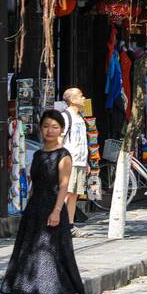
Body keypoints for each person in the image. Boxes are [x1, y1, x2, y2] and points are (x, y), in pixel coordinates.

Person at [1, 109, 90, 294]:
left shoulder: (63, 156)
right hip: (34, 212)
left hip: (53, 211)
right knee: (33, 258)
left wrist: (57, 211)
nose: (50, 131)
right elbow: (34, 184)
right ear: (41, 129)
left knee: (53, 258)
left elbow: (63, 186)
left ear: (61, 130)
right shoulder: (39, 155)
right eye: (47, 126)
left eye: (55, 127)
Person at [59, 88, 91, 227]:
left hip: (80, 161)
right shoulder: (66, 116)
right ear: (71, 99)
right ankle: (58, 224)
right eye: (80, 95)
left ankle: (70, 225)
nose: (83, 98)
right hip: (69, 161)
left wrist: (86, 161)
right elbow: (59, 139)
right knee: (66, 193)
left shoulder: (81, 117)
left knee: (74, 194)